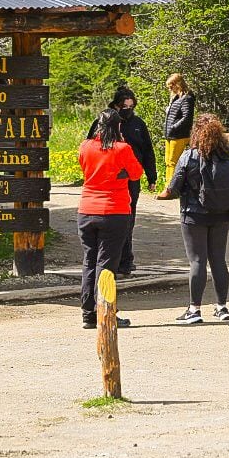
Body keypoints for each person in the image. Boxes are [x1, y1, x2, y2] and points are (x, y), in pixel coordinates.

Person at [157, 113, 229, 323]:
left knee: (197, 261)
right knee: (219, 260)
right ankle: (222, 307)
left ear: (196, 133)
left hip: (193, 215)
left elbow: (173, 188)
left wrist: (163, 193)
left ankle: (194, 310)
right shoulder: (225, 156)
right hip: (221, 214)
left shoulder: (189, 156)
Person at [76, 108, 142, 329]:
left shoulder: (85, 146)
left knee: (89, 262)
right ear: (119, 127)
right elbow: (136, 173)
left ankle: (88, 314)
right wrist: (120, 173)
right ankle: (106, 314)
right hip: (114, 211)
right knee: (107, 266)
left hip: (86, 210)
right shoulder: (122, 149)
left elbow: (85, 168)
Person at [86, 85, 158, 276]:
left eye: (131, 106)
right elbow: (89, 148)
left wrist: (152, 176)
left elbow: (148, 151)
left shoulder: (138, 124)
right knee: (111, 221)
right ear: (116, 106)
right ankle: (111, 260)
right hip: (107, 179)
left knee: (128, 219)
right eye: (124, 107)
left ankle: (126, 260)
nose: (128, 110)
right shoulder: (102, 122)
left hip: (131, 178)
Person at [163, 73, 195, 172]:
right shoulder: (176, 98)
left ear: (178, 84)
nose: (170, 89)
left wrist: (173, 127)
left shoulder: (187, 98)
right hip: (170, 135)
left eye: (171, 86)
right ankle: (167, 185)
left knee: (173, 162)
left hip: (179, 136)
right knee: (168, 162)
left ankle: (171, 187)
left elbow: (187, 118)